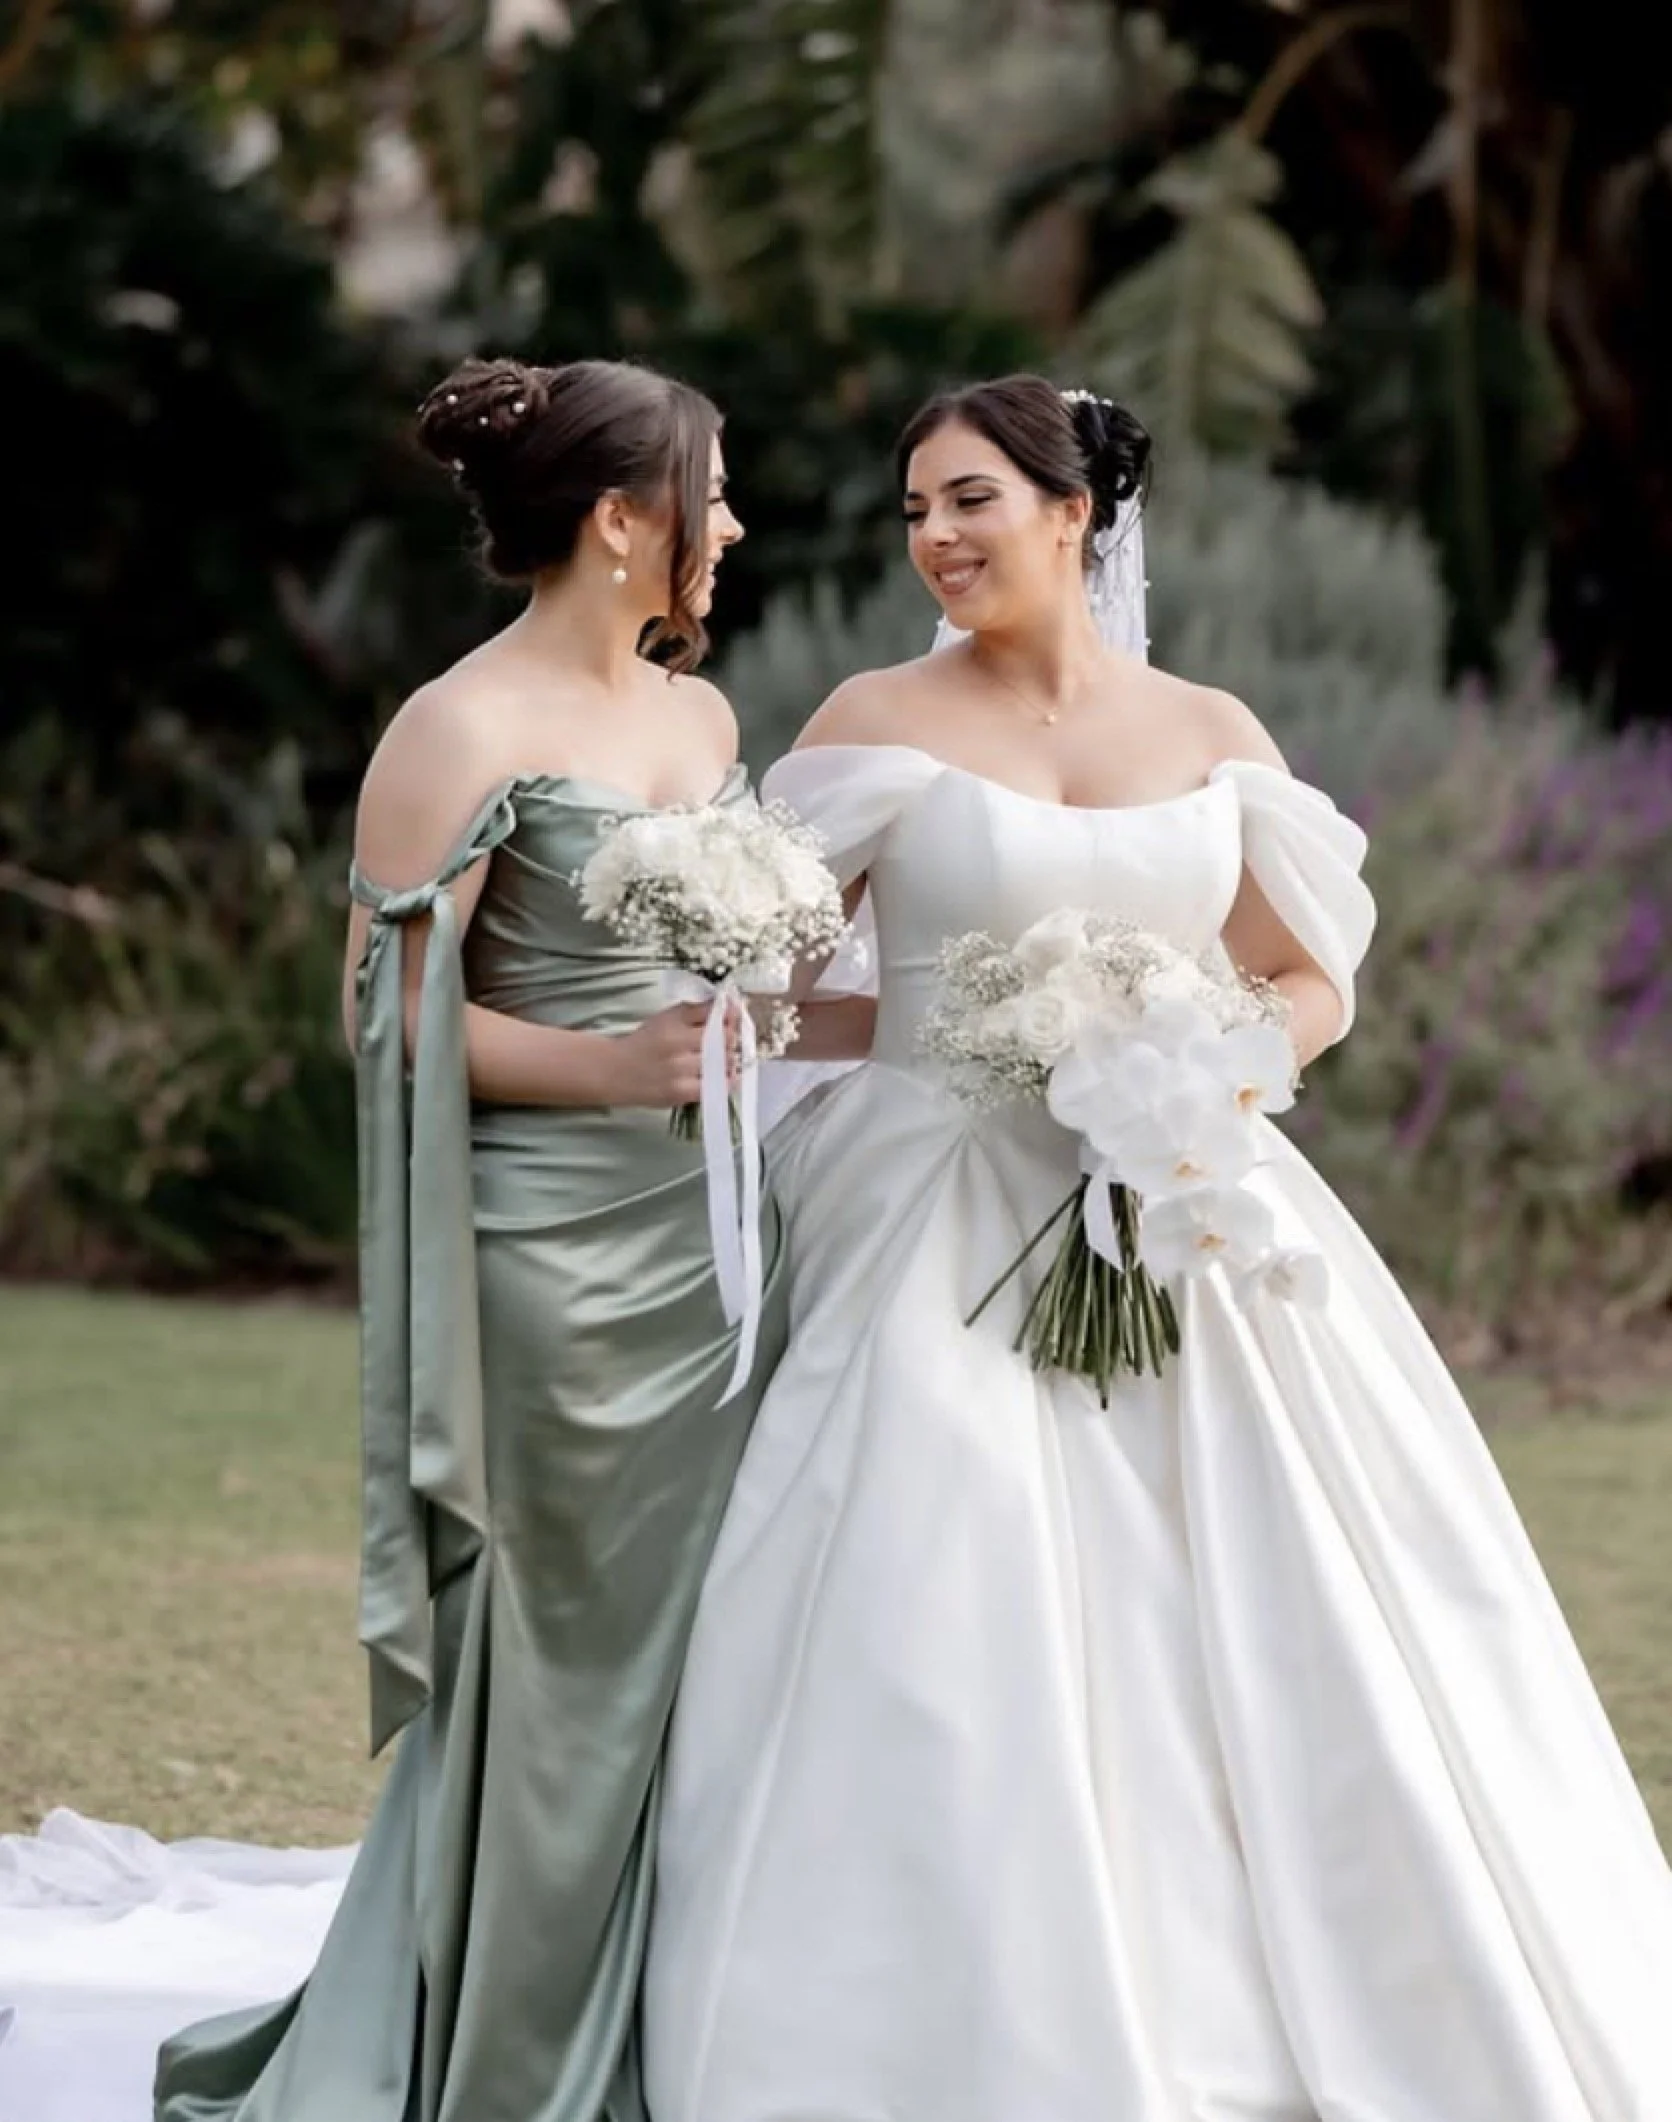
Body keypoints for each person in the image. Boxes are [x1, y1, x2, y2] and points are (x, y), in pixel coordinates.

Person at [640, 374, 1672, 2121]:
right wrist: (714, 1034)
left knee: (1288, 1606)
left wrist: (1200, 1064)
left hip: (1187, 1203)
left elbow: (1307, 974)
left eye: (968, 499)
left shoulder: (1213, 731)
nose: (936, 540)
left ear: (1075, 512)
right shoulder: (877, 718)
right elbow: (785, 981)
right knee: (940, 1580)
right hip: (931, 1221)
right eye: (913, 514)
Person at [150, 354, 787, 2121]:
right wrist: (615, 1063)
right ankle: (511, 2063)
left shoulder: (705, 724)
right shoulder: (459, 729)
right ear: (617, 518)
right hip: (552, 1275)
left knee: (697, 1671)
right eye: (708, 493)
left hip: (711, 1257)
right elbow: (386, 1020)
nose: (728, 526)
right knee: (555, 1681)